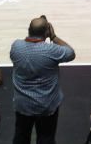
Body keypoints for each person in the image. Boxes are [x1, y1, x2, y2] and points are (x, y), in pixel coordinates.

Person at [10, 15, 76, 144]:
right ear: (47, 31)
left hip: (23, 104)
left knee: (21, 137)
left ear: (29, 30)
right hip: (47, 105)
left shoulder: (16, 46)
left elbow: (26, 44)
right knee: (46, 138)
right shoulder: (52, 50)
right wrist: (54, 37)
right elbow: (70, 53)